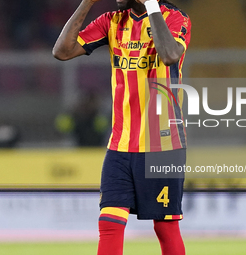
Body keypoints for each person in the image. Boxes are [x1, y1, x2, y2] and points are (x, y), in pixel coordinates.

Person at [53, 0, 191, 255]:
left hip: (163, 144)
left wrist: (151, 6)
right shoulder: (112, 21)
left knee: (164, 227)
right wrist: (87, 3)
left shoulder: (175, 18)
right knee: (109, 222)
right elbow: (62, 51)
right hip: (120, 143)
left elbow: (169, 55)